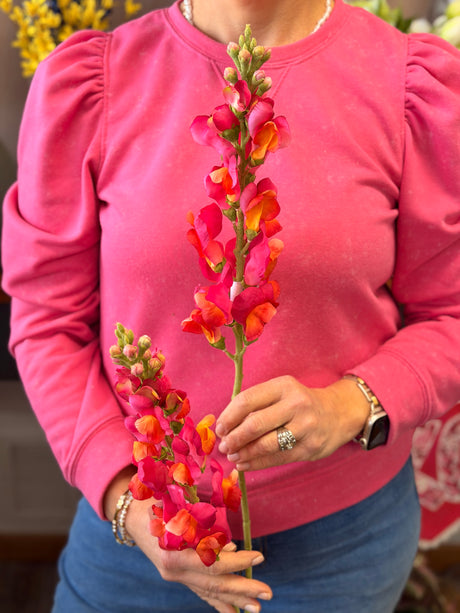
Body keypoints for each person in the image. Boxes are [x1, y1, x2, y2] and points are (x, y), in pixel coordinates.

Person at [2, 0, 460, 611]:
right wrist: (127, 499)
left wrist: (351, 404)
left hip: (341, 549)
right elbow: (47, 322)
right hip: (138, 531)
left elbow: (451, 313)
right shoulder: (95, 81)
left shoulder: (408, 82)